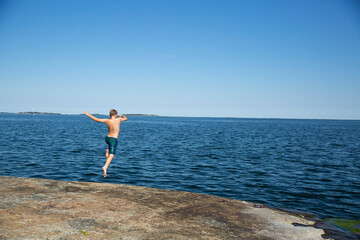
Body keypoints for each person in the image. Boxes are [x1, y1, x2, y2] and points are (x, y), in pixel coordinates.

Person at [84, 109, 127, 177]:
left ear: (110, 115)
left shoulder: (107, 120)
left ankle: (108, 150)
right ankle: (105, 167)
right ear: (116, 115)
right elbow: (125, 118)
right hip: (113, 140)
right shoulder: (118, 119)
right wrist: (121, 116)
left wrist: (88, 114)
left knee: (110, 145)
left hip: (107, 138)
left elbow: (96, 119)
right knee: (112, 155)